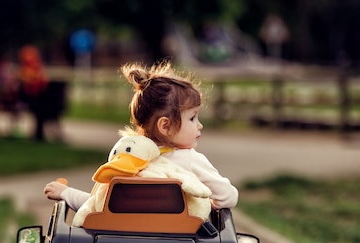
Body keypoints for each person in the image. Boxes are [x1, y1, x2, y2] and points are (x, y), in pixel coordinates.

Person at [43, 60, 238, 213]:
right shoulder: (191, 160)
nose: (200, 125)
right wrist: (205, 205)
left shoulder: (127, 160)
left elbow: (97, 205)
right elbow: (227, 198)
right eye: (193, 118)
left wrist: (66, 193)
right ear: (165, 126)